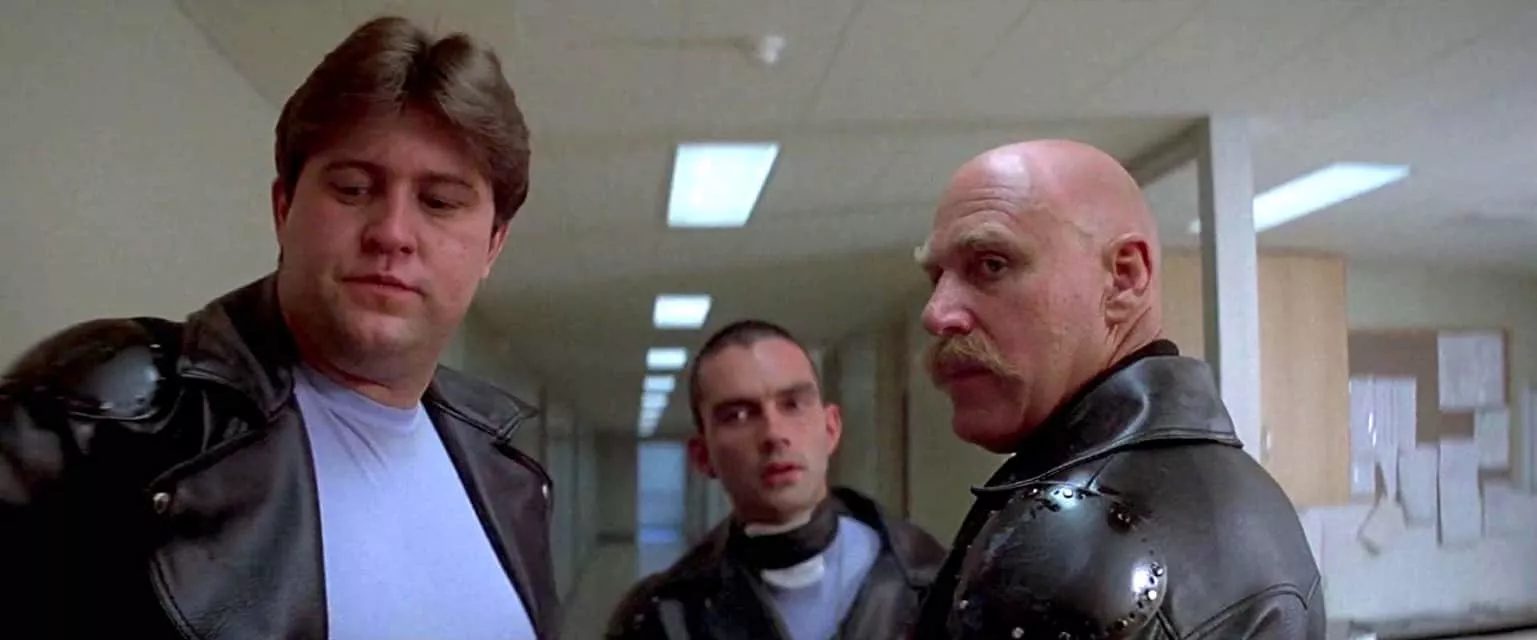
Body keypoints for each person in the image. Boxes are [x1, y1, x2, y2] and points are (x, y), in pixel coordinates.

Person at [0, 16, 559, 639]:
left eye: (440, 202)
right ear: (284, 208)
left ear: (492, 246)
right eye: (353, 188)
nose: (393, 233)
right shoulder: (105, 417)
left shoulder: (508, 473)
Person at [909, 140, 1326, 639]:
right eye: (936, 277)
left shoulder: (1071, 540)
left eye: (991, 264)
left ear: (1124, 279)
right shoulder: (1246, 490)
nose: (935, 313)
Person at [606, 320, 946, 640]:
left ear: (830, 428)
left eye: (793, 404)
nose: (773, 434)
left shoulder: (935, 585)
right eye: (738, 415)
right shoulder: (663, 617)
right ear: (703, 456)